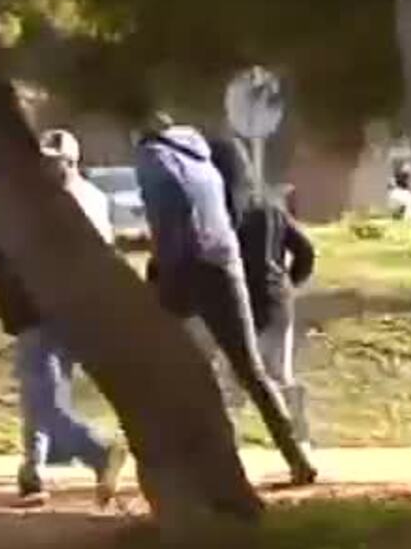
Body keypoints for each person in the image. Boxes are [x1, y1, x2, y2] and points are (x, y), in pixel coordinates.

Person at [0, 128, 129, 506]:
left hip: (43, 314)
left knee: (44, 401)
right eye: (44, 163)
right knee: (43, 396)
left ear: (71, 164)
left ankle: (99, 451)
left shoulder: (16, 208)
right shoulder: (85, 199)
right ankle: (33, 470)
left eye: (56, 163)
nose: (49, 170)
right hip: (77, 313)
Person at [132, 110, 318, 486]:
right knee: (257, 373)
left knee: (170, 372)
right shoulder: (202, 158)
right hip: (230, 270)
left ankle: (189, 466)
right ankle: (298, 457)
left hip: (187, 269)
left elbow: (169, 222)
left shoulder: (154, 157)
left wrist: (159, 271)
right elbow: (303, 250)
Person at [238, 183, 317, 445]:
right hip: (275, 298)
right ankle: (299, 437)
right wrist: (288, 284)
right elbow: (305, 251)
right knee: (278, 373)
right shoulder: (271, 210)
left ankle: (224, 442)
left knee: (232, 376)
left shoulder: (219, 210)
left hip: (236, 301)